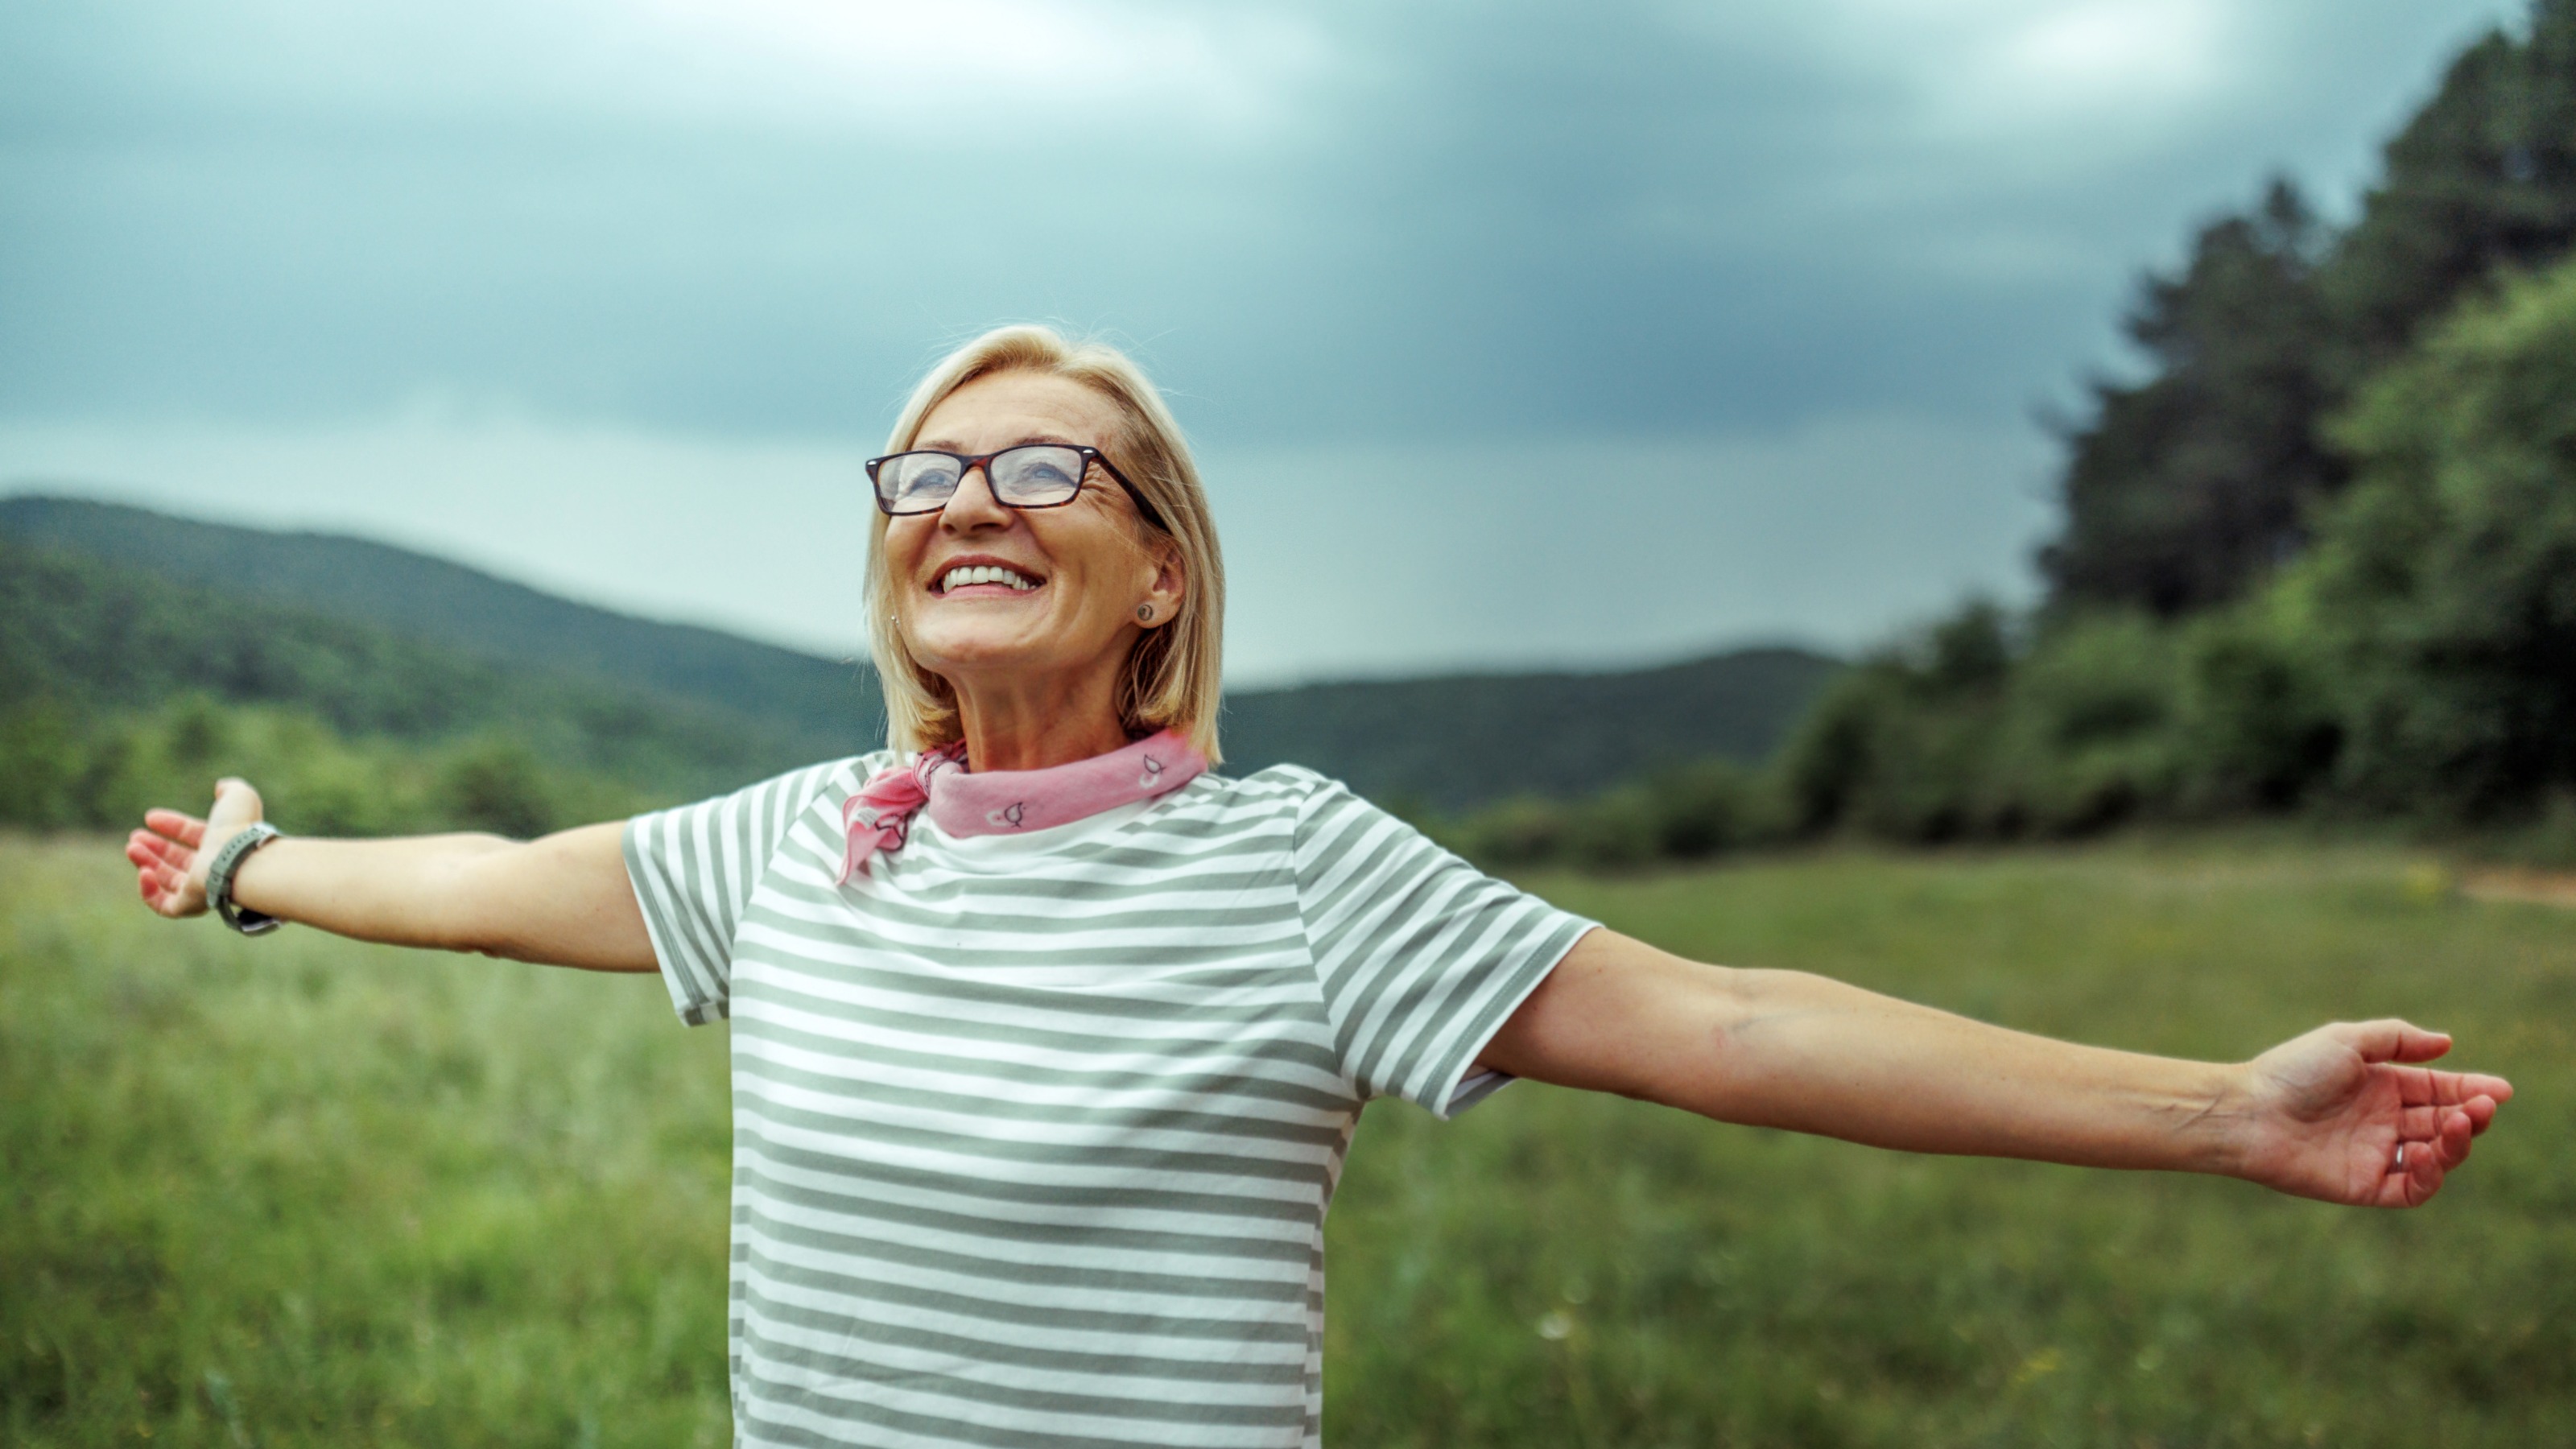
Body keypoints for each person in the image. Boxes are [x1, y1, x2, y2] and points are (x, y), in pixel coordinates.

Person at [125, 325, 2512, 1449]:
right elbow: (486, 877)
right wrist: (254, 867)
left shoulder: (1289, 872)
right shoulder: (789, 848)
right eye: (923, 471)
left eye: (1045, 467)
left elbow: (1733, 1024)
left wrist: (2226, 1110)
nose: (965, 497)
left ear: (1161, 575)